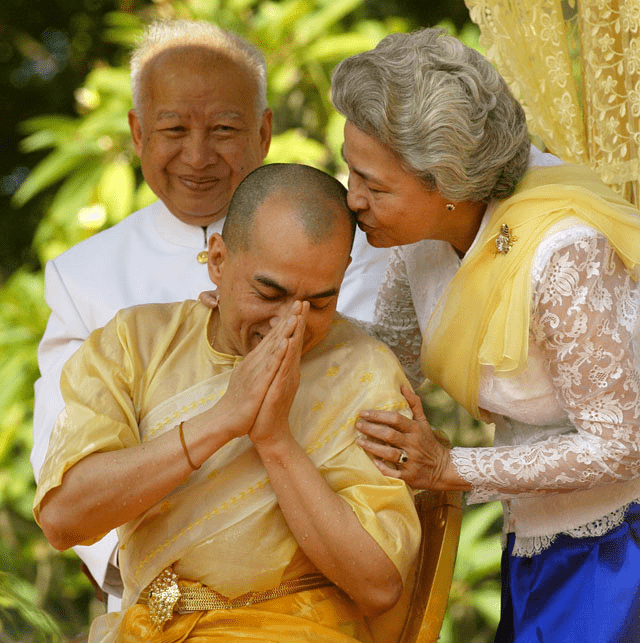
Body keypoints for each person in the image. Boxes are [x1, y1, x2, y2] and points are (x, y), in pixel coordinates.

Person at [31, 19, 390, 608]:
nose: (197, 157)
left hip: (319, 591)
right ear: (137, 132)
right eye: (173, 129)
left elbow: (364, 399)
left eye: (224, 129)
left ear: (265, 130)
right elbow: (61, 471)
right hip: (157, 597)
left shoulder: (338, 242)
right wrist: (178, 575)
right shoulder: (84, 276)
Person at [330, 27, 640, 643]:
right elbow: (381, 361)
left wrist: (450, 466)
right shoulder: (417, 235)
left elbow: (626, 442)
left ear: (442, 186)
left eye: (373, 184)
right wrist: (271, 319)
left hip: (622, 547)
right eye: (350, 170)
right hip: (536, 539)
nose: (352, 199)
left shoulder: (562, 253)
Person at [33, 163, 420, 643]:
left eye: (319, 303)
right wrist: (221, 421)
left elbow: (379, 586)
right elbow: (63, 520)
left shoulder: (364, 373)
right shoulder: (135, 345)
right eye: (268, 292)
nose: (289, 326)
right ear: (217, 260)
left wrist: (276, 442)